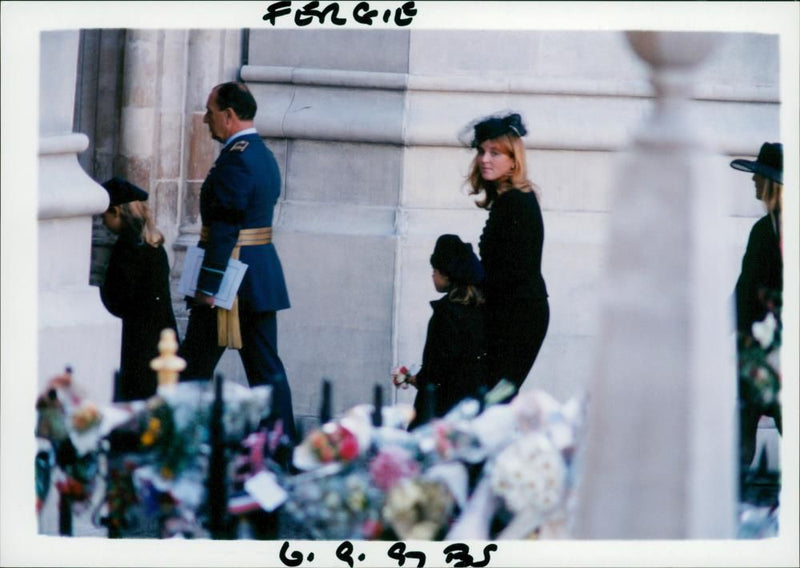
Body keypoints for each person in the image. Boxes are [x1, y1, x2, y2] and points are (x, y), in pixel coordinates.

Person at [178, 81, 296, 442]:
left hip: (232, 279)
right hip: (255, 277)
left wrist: (208, 286)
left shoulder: (238, 159)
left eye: (210, 112)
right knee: (264, 368)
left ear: (229, 116)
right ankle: (283, 443)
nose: (204, 121)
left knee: (193, 369)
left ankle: (175, 442)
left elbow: (226, 227)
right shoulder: (257, 152)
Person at [464, 112, 549, 391]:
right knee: (494, 397)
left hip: (518, 317)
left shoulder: (516, 202)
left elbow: (514, 270)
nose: (485, 159)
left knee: (495, 398)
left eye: (495, 153)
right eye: (481, 151)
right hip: (514, 313)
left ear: (514, 161)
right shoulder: (509, 200)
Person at [99, 177, 178, 402]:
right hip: (160, 334)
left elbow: (119, 298)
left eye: (104, 216)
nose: (103, 222)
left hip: (137, 343)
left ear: (116, 212)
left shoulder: (127, 248)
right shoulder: (152, 244)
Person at [730, 142, 783, 471]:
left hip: (766, 351)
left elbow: (747, 291)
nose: (753, 181)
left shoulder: (768, 232)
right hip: (767, 347)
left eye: (758, 177)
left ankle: (732, 501)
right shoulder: (768, 229)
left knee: (749, 423)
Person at [400, 234, 489, 430]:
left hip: (439, 406)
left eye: (435, 270)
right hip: (465, 404)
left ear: (447, 275)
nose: (432, 275)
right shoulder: (476, 310)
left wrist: (417, 379)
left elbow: (440, 361)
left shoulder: (446, 314)